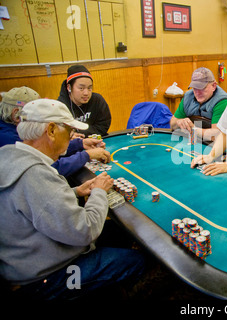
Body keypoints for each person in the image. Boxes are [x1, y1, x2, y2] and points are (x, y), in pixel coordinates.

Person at [0, 98, 145, 300]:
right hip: (46, 279)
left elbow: (37, 205)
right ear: (50, 131)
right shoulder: (35, 176)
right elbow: (85, 230)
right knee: (138, 261)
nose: (72, 136)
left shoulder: (8, 155)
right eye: (69, 131)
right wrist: (99, 192)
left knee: (121, 233)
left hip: (22, 260)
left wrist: (75, 192)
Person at [0, 86, 111, 177]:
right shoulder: (8, 139)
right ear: (16, 115)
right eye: (38, 112)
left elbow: (46, 147)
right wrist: (86, 155)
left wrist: (79, 143)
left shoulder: (16, 131)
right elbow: (48, 170)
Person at [170, 67, 227, 141]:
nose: (197, 93)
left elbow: (216, 136)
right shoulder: (188, 97)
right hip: (198, 140)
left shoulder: (222, 102)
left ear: (213, 86)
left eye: (202, 88)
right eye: (195, 88)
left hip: (226, 146)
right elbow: (172, 124)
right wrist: (179, 122)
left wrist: (193, 129)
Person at [58, 64, 112, 137]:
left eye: (89, 88)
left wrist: (80, 134)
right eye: (81, 88)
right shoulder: (60, 107)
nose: (86, 93)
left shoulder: (98, 100)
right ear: (69, 87)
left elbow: (103, 126)